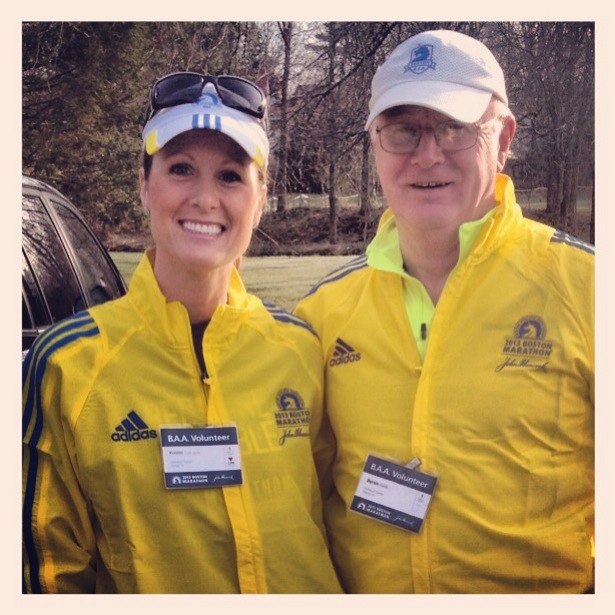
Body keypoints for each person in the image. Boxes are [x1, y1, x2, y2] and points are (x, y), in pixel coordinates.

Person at [295, 29, 594, 593]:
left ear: (503, 138)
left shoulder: (589, 289)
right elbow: (305, 496)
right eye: (403, 129)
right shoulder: (322, 312)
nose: (427, 154)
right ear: (375, 145)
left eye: (455, 127)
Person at [22, 71, 342, 594]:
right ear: (144, 185)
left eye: (230, 176)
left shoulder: (300, 348)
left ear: (260, 198)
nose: (205, 198)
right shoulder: (66, 366)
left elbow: (336, 523)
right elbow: (50, 576)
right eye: (181, 169)